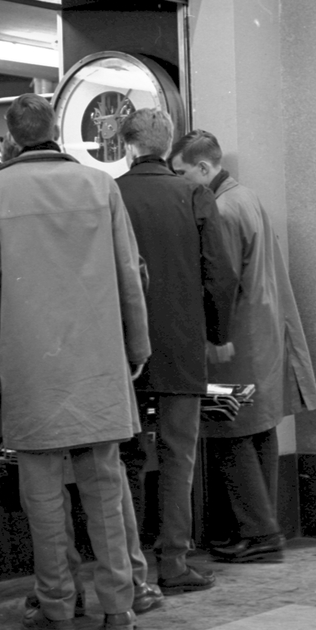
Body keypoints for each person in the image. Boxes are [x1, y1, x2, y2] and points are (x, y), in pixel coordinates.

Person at [0, 94, 151, 630]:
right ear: (56, 130)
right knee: (106, 490)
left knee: (43, 499)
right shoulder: (100, 186)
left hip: (30, 367)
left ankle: (59, 613)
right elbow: (128, 272)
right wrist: (136, 346)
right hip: (97, 362)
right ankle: (119, 610)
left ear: (10, 138)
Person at [169, 130, 316, 563]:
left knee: (229, 431)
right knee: (259, 431)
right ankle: (260, 529)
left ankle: (259, 534)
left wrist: (211, 337)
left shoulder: (221, 209)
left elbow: (221, 280)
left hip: (235, 340)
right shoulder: (246, 197)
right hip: (261, 338)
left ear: (203, 167)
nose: (178, 182)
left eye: (181, 172)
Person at [116, 109, 239, 595]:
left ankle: (127, 566)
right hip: (182, 345)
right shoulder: (193, 194)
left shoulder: (110, 194)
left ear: (127, 145)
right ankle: (173, 561)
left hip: (121, 347)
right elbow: (220, 273)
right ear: (168, 146)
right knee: (178, 454)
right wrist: (217, 333)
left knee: (124, 456)